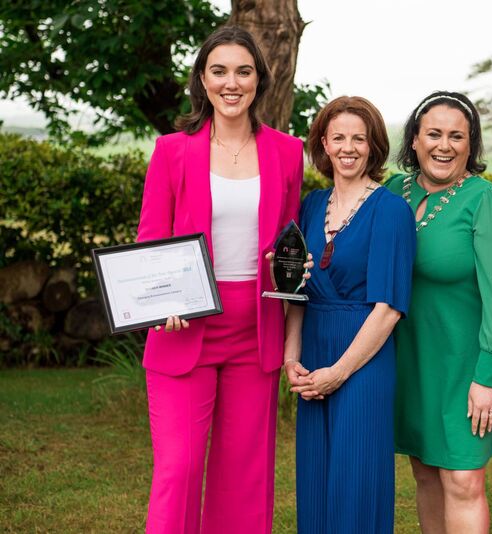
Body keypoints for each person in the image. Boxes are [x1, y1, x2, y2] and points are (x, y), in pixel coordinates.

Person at [137, 25, 309, 534]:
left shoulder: (287, 151)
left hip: (255, 332)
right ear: (202, 80)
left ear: (259, 80)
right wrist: (162, 298)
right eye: (219, 71)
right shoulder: (171, 150)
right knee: (179, 468)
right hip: (182, 326)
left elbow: (289, 241)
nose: (231, 83)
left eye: (243, 71)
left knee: (245, 476)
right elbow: (151, 240)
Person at [385, 91, 492, 534]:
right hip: (410, 358)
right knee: (425, 471)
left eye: (456, 136)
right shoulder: (393, 192)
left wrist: (487, 378)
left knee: (462, 479)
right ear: (413, 141)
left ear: (471, 145)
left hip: (467, 365)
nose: (443, 145)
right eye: (433, 134)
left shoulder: (490, 201)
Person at [284, 96, 416, 534]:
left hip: (363, 361)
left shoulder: (390, 209)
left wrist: (338, 373)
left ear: (373, 146)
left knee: (355, 482)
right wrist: (292, 361)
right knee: (317, 482)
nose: (348, 147)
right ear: (324, 143)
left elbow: (389, 309)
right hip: (313, 355)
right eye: (338, 137)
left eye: (359, 138)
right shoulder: (310, 204)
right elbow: (296, 293)